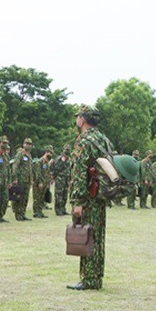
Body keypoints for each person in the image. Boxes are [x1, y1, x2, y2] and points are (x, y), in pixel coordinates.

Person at [67, 105, 112, 291]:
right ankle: (96, 276)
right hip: (100, 194)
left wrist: (77, 201)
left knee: (86, 236)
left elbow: (79, 173)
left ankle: (89, 279)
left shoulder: (84, 141)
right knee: (98, 236)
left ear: (82, 120)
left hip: (88, 196)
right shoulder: (103, 139)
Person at [11, 138, 34, 221]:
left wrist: (31, 179)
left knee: (25, 198)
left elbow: (30, 168)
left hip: (27, 180)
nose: (28, 145)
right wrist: (15, 178)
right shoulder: (20, 154)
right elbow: (15, 166)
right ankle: (18, 215)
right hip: (20, 179)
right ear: (23, 144)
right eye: (26, 143)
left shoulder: (29, 155)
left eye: (30, 144)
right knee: (19, 197)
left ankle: (23, 214)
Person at [33, 145, 54, 218]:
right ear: (46, 152)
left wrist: (48, 182)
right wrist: (40, 182)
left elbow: (47, 173)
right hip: (39, 183)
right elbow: (38, 173)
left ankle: (40, 212)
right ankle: (36, 212)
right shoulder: (39, 161)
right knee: (37, 198)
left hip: (45, 183)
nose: (51, 154)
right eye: (50, 152)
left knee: (42, 198)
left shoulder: (46, 162)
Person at [52, 144, 72, 216]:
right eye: (66, 150)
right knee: (58, 195)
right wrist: (63, 161)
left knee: (64, 195)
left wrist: (70, 180)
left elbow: (70, 170)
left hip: (66, 180)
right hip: (60, 179)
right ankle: (58, 210)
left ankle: (63, 209)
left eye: (69, 150)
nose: (67, 151)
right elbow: (56, 169)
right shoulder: (59, 159)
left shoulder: (69, 159)